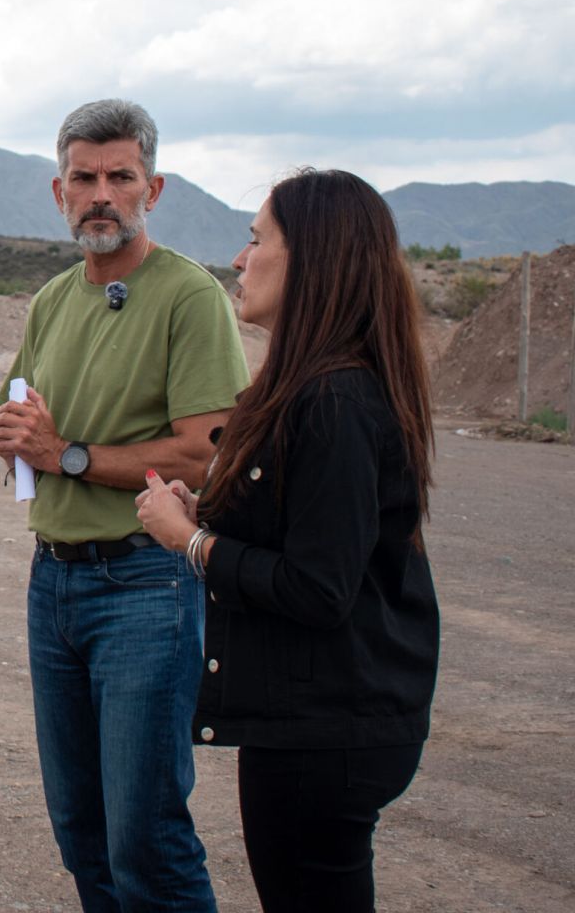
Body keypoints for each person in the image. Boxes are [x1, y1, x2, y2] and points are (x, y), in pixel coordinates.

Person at [135, 169, 439, 912]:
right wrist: (208, 512)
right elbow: (308, 527)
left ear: (314, 257)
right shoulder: (321, 387)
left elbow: (318, 586)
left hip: (325, 730)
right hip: (327, 721)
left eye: (255, 238)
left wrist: (189, 543)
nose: (240, 260)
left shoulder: (332, 397)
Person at [0, 99, 248, 912]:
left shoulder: (189, 297)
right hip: (53, 583)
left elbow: (208, 456)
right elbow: (28, 418)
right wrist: (16, 436)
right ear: (57, 190)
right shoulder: (52, 301)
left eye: (120, 177)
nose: (101, 194)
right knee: (82, 830)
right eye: (84, 177)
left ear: (154, 189)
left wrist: (67, 456)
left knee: (145, 835)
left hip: (144, 588)